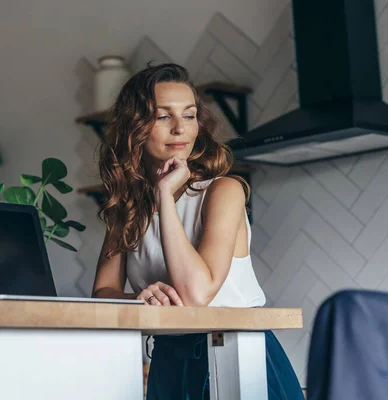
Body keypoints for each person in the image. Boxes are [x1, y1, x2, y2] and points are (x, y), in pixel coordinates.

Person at [91, 63, 304, 400]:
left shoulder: (223, 191)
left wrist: (163, 195)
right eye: (163, 117)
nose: (180, 129)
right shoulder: (128, 208)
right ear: (135, 127)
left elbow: (195, 296)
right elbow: (102, 293)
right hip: (168, 361)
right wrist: (142, 299)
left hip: (236, 356)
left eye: (189, 116)